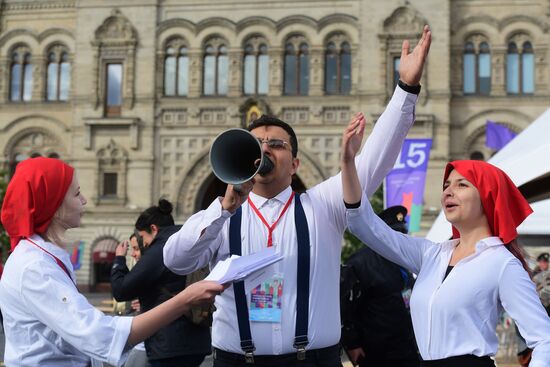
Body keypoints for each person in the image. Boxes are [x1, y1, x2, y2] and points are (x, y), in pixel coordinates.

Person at [162, 25, 431, 367]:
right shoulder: (223, 218)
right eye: (256, 144)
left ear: (295, 163)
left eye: (276, 144)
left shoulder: (321, 205)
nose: (265, 149)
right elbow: (176, 260)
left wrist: (405, 88)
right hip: (236, 360)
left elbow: (375, 160)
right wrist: (223, 208)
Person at [339, 117, 550, 366]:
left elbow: (543, 339)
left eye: (462, 185)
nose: (448, 191)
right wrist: (348, 162)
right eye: (447, 185)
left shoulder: (502, 263)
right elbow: (363, 224)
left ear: (487, 198)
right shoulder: (431, 255)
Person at [0, 157, 224, 367]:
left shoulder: (39, 257)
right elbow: (99, 334)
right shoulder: (35, 267)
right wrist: (184, 300)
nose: (84, 200)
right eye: (76, 193)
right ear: (54, 205)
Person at [111, 199, 212, 367]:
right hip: (197, 338)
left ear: (153, 229)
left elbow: (121, 290)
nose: (144, 245)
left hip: (169, 344)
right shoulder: (187, 240)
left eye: (143, 237)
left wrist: (119, 259)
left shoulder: (161, 249)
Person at [340, 206, 419, 367]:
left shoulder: (403, 259)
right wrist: (352, 344)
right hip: (377, 351)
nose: (400, 238)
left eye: (402, 234)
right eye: (395, 234)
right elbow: (345, 309)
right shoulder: (360, 263)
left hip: (407, 346)